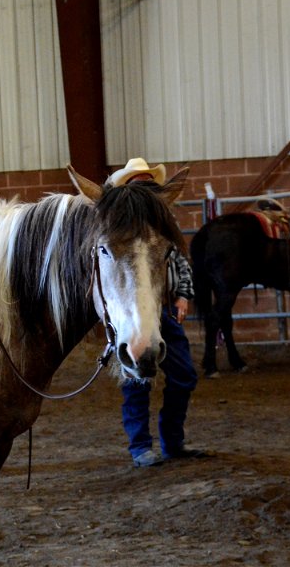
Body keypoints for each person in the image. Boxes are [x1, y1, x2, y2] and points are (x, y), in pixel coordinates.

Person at [106, 158, 208, 468]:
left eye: (149, 182)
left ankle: (172, 440)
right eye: (140, 182)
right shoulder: (120, 225)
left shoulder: (164, 224)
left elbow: (178, 260)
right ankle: (140, 446)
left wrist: (183, 295)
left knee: (184, 376)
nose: (146, 188)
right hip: (133, 313)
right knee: (136, 381)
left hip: (164, 310)